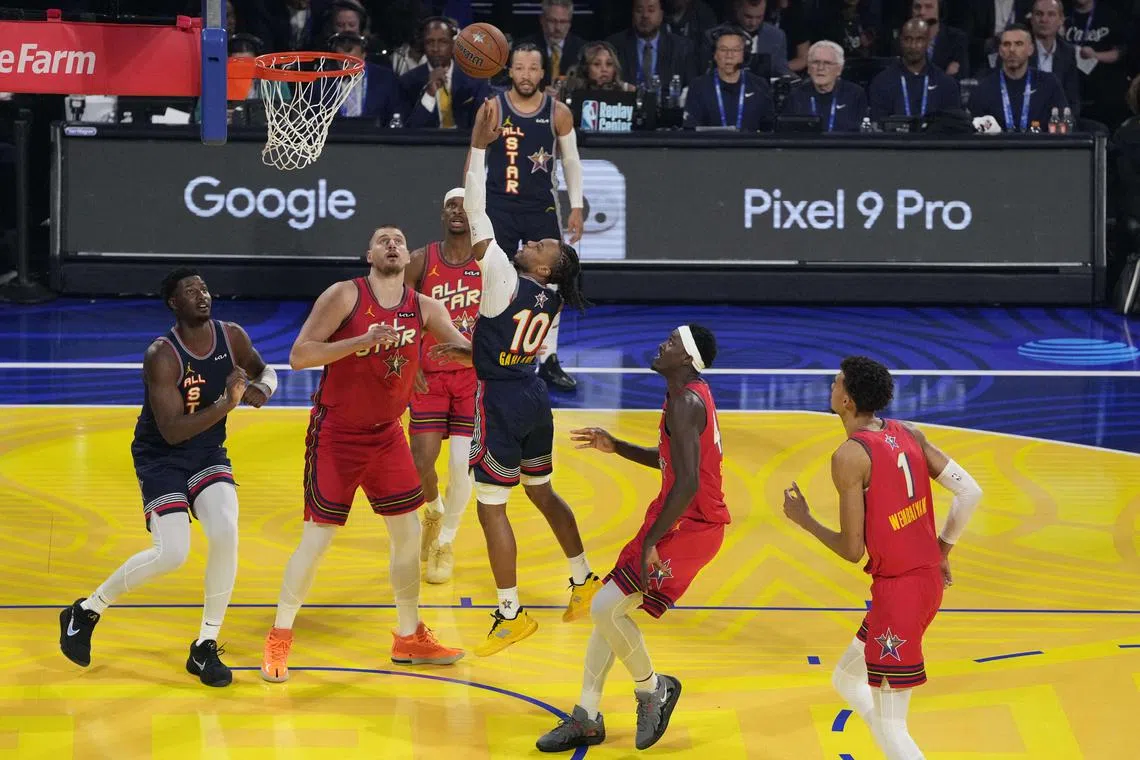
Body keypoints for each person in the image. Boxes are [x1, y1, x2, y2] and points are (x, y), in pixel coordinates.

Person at [260, 225, 474, 682]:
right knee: (316, 541)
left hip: (387, 436)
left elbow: (465, 349)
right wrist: (360, 341)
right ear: (369, 253)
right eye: (383, 239)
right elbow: (299, 356)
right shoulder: (344, 296)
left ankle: (408, 635)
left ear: (408, 255)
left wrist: (497, 354)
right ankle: (279, 636)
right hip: (337, 433)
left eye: (399, 239)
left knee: (407, 532)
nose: (393, 244)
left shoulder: (425, 307)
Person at [59, 267, 275, 687]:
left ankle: (204, 646)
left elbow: (265, 371)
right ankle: (87, 610)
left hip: (208, 453)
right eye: (191, 291)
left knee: (226, 530)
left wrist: (263, 390)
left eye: (205, 288)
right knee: (173, 553)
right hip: (162, 456)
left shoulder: (232, 337)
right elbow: (174, 431)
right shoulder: (162, 354)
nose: (202, 295)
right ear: (173, 303)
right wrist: (229, 404)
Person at [435, 103, 598, 657]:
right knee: (543, 491)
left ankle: (509, 612)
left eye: (545, 245)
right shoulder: (549, 297)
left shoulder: (505, 273)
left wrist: (478, 147)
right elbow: (504, 342)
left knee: (491, 505)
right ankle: (583, 581)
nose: (535, 241)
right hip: (532, 392)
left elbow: (475, 211)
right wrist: (469, 350)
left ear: (546, 267)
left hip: (501, 401)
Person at [535, 324, 727, 752]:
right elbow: (672, 465)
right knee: (607, 610)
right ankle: (587, 716)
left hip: (692, 525)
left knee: (606, 607)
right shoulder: (682, 395)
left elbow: (690, 483)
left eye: (673, 342)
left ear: (688, 359)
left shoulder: (687, 402)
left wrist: (651, 541)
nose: (663, 344)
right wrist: (617, 446)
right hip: (675, 516)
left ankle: (652, 689)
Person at [782, 355, 982, 760]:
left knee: (893, 726)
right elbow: (971, 492)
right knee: (846, 678)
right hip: (922, 583)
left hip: (899, 594)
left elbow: (852, 550)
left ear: (848, 401)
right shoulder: (909, 433)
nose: (832, 388)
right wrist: (941, 549)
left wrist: (805, 520)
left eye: (837, 383)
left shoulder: (849, 457)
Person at [474, 41, 584, 391]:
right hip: (499, 206)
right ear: (509, 70)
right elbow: (475, 152)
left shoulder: (558, 111)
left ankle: (548, 357)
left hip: (541, 206)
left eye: (533, 68)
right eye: (519, 67)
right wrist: (470, 199)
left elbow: (571, 161)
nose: (525, 75)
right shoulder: (492, 107)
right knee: (491, 280)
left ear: (543, 72)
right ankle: (496, 350)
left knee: (553, 282)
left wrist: (577, 205)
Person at [405, 188, 480, 583]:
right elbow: (401, 310)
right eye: (450, 204)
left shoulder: (487, 263)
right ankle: (432, 510)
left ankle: (445, 542)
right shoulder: (422, 259)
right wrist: (410, 358)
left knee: (458, 465)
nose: (457, 212)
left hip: (471, 378)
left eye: (465, 207)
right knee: (421, 462)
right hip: (430, 374)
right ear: (442, 212)